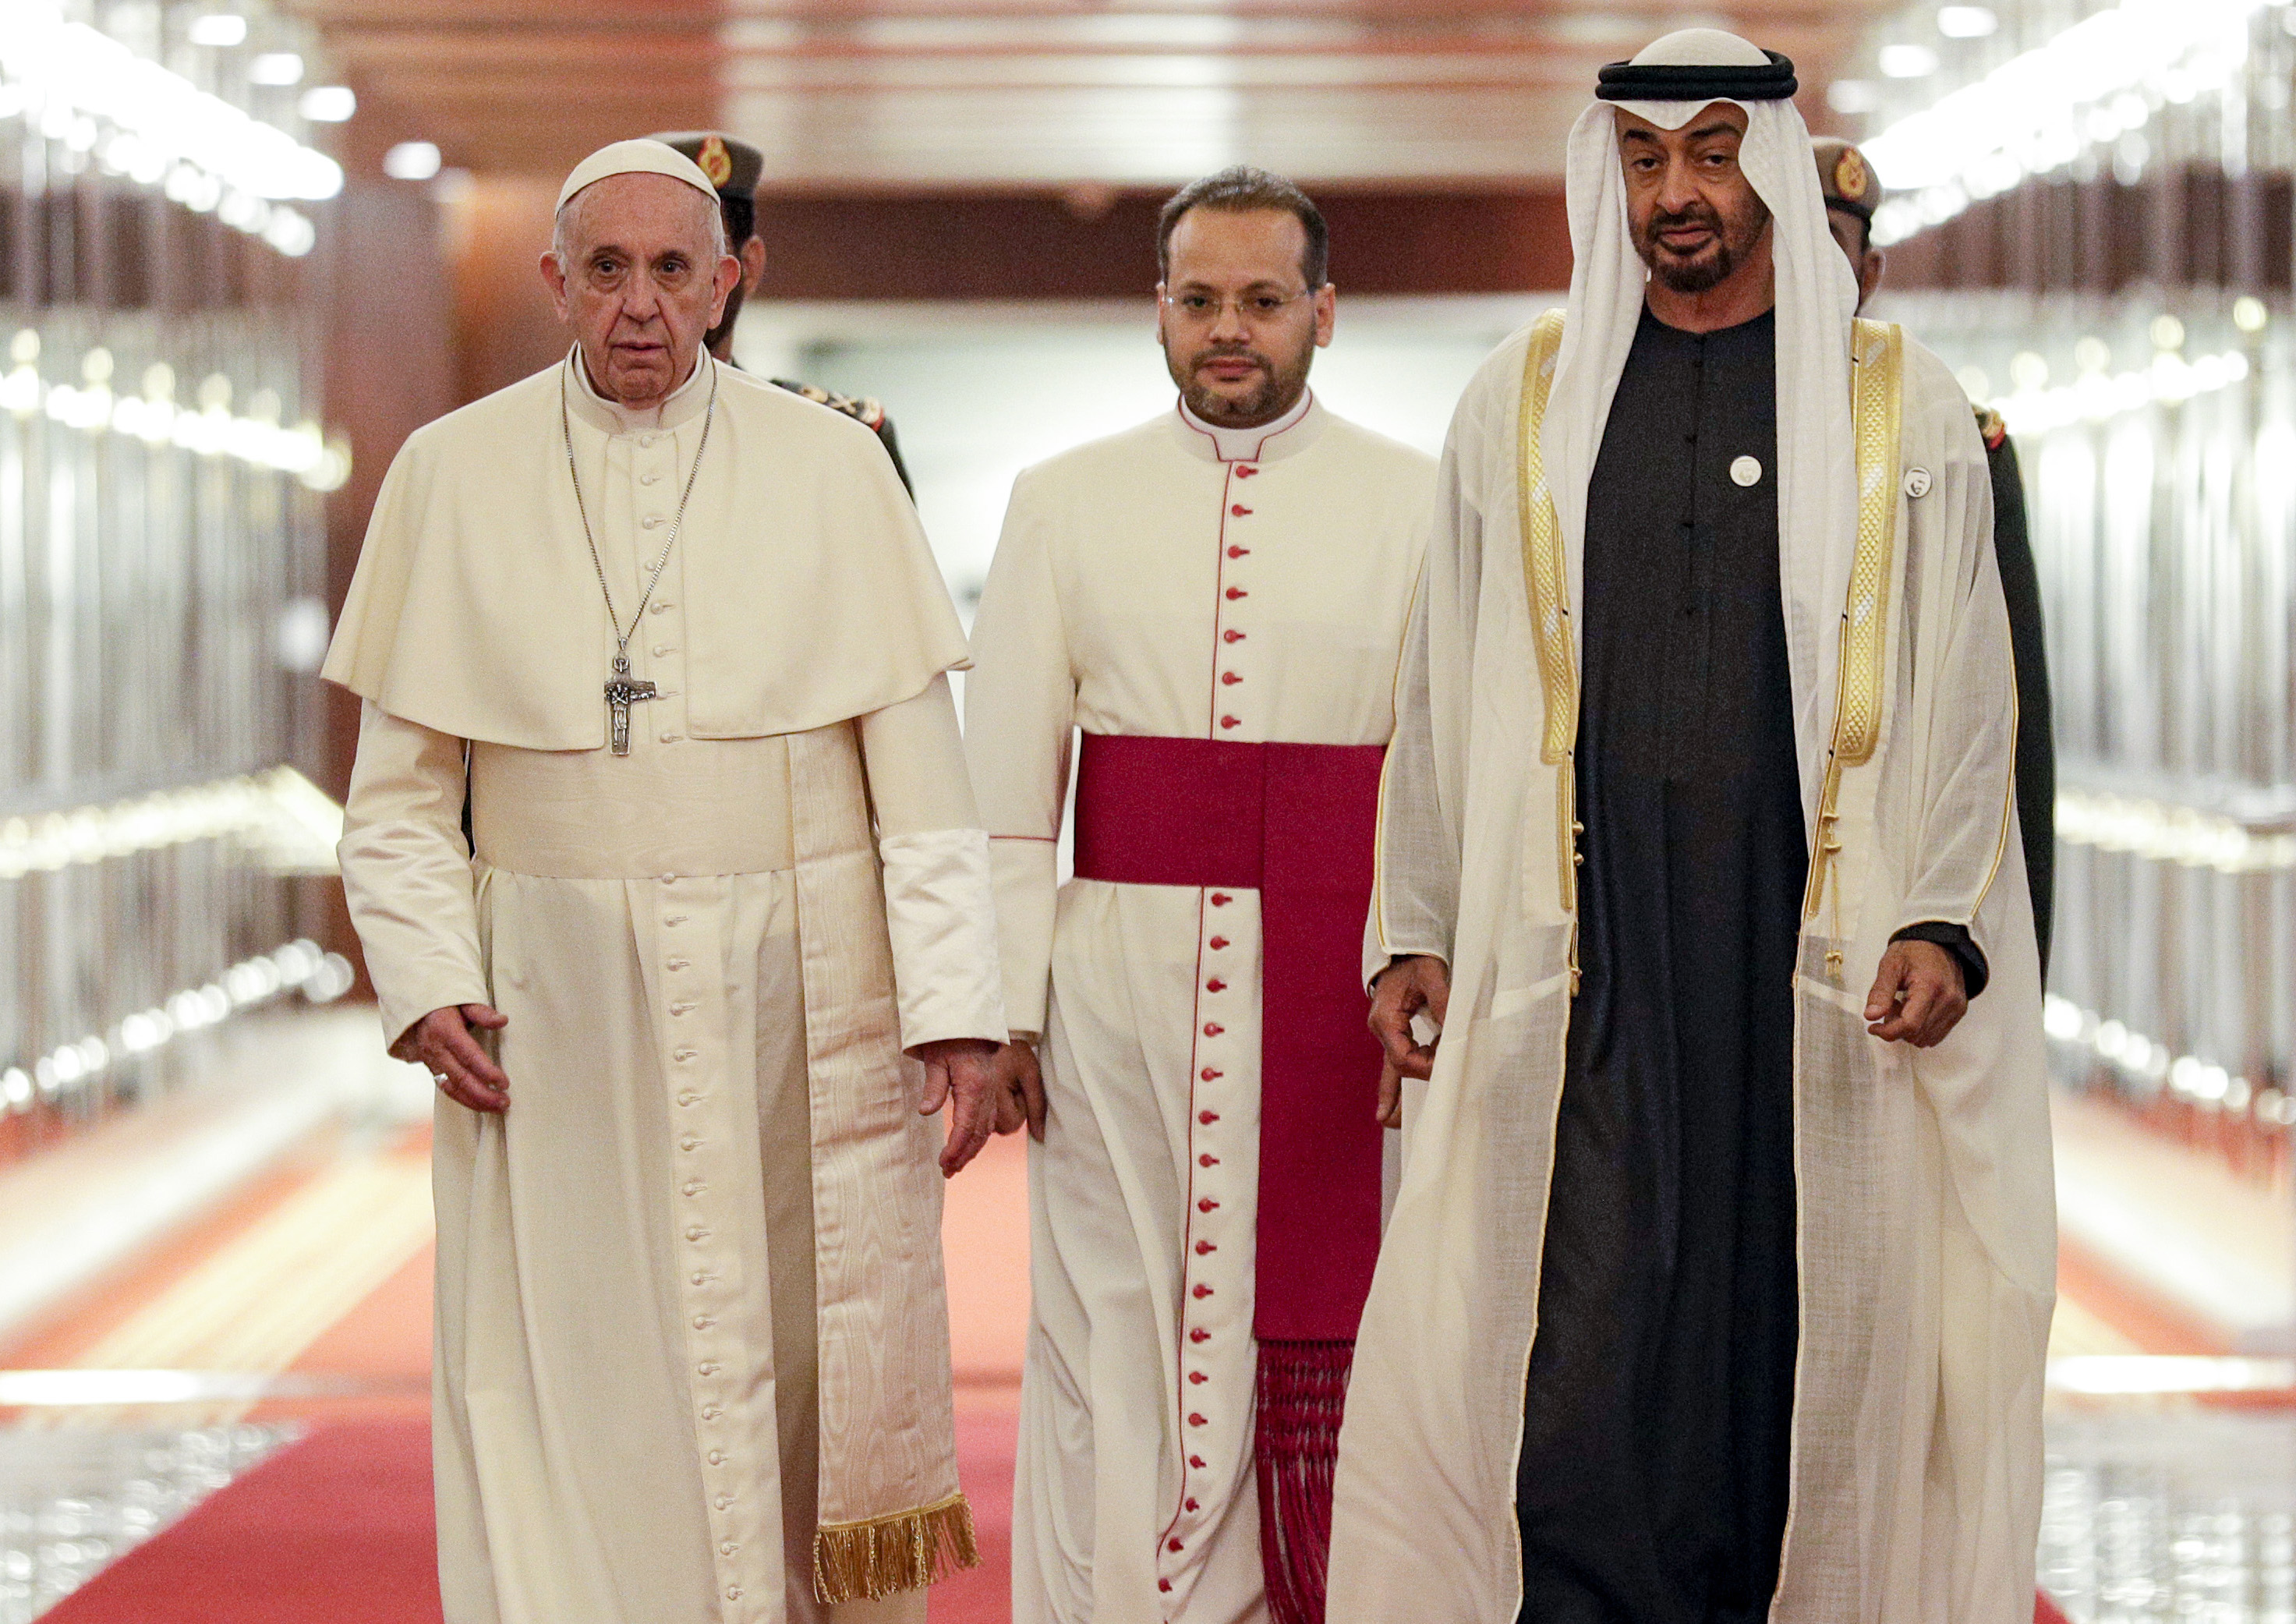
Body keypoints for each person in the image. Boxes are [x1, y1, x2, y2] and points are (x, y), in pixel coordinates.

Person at [1329, 30, 2053, 1624]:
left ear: (1773, 172)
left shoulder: (1893, 407)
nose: (1677, 194)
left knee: (1781, 1339)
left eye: (1713, 155)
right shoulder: (1517, 402)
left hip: (1806, 961)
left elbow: (1965, 693)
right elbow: (1441, 682)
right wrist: (1413, 921)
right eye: (1646, 160)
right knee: (1577, 1342)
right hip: (1584, 966)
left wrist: (1939, 917)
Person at [324, 138, 1010, 1624]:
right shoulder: (452, 470)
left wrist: (960, 1005)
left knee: (800, 1355)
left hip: (798, 988)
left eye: (675, 269)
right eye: (610, 269)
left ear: (731, 280)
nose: (643, 304)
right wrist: (430, 972)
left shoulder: (830, 465)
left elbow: (926, 787)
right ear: (557, 282)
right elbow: (394, 804)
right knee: (576, 1367)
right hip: (558, 1015)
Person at [965, 165, 1435, 1624]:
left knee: (1335, 1330)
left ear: (1324, 314)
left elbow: (1445, 777)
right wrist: (1001, 1011)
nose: (1230, 329)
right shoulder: (1062, 501)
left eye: (1263, 300)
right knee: (1114, 1334)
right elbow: (999, 795)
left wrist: (1425, 951)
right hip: (1114, 1003)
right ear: (1157, 311)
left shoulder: (1425, 505)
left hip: (1339, 1005)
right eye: (1200, 300)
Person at [1814, 135, 2056, 974]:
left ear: (1868, 274)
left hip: (1901, 881)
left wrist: (2008, 957)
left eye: (1830, 247)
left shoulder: (1953, 435)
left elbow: (2010, 715)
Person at [648, 129, 915, 494]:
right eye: (667, 264)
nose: (645, 298)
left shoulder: (839, 442)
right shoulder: (564, 429)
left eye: (699, 258)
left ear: (748, 268)